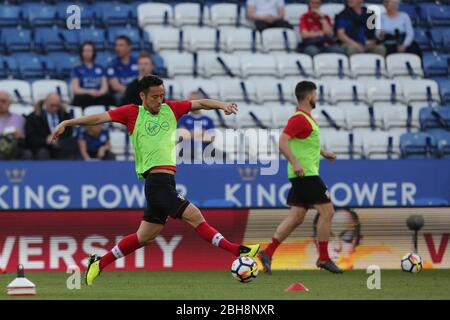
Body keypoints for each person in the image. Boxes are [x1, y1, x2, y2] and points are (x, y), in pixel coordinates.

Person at [50, 75, 260, 285]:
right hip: (155, 182)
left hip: (167, 181)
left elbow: (201, 103)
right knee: (194, 215)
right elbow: (97, 118)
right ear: (143, 95)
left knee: (144, 237)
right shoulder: (132, 113)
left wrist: (221, 105)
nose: (160, 100)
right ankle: (237, 250)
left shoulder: (171, 108)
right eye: (155, 97)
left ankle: (99, 262)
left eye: (162, 96)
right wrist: (68, 122)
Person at [257, 81, 343, 274]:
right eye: (315, 94)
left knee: (296, 217)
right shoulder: (299, 118)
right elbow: (282, 141)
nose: (317, 97)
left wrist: (324, 152)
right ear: (309, 96)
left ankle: (268, 253)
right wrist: (295, 162)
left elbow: (304, 143)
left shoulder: (306, 119)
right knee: (327, 212)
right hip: (305, 174)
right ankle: (324, 258)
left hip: (303, 174)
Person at [26, 93, 77, 159]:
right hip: (42, 147)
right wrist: (46, 140)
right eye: (52, 105)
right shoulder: (34, 117)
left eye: (57, 106)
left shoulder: (64, 115)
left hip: (60, 145)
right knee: (42, 152)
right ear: (45, 102)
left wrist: (58, 140)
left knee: (71, 148)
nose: (55, 108)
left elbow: (69, 133)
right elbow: (30, 138)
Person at [71, 42, 113, 109]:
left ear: (94, 52)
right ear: (81, 52)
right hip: (84, 95)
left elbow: (105, 87)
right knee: (83, 98)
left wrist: (99, 92)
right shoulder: (77, 68)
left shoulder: (100, 68)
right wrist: (90, 92)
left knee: (108, 98)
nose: (87, 53)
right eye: (85, 51)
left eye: (89, 51)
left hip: (98, 95)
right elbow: (76, 89)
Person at [178, 91, 216, 161]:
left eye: (196, 101)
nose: (194, 103)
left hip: (205, 152)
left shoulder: (208, 120)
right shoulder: (183, 118)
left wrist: (190, 133)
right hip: (187, 152)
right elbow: (182, 135)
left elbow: (211, 138)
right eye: (191, 101)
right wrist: (203, 133)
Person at [107, 36, 139, 105]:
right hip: (122, 94)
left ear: (129, 47)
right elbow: (115, 86)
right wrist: (133, 91)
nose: (117, 48)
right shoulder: (112, 64)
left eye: (121, 45)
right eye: (116, 45)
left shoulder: (137, 63)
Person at [0, 91, 31, 160]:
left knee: (27, 154)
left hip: (16, 147)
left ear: (9, 103)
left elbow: (25, 137)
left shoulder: (20, 119)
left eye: (3, 101)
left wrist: (20, 136)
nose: (0, 104)